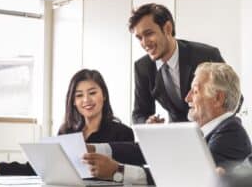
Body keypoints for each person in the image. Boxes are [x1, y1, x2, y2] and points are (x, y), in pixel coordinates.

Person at [83, 62, 251, 185]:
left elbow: (184, 177)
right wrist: (95, 148)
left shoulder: (231, 133)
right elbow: (148, 150)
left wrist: (118, 171)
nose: (187, 98)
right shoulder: (203, 132)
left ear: (218, 98)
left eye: (195, 91)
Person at [0, 69, 134, 175]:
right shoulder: (67, 132)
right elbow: (45, 168)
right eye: (79, 95)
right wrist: (0, 167)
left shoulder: (122, 132)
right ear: (73, 102)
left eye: (92, 92)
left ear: (103, 95)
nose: (86, 100)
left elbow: (127, 175)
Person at [130, 3, 225, 124]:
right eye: (139, 38)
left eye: (149, 34)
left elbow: (234, 100)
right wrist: (148, 122)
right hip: (177, 135)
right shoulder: (143, 67)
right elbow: (139, 113)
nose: (144, 43)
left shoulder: (206, 55)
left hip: (211, 134)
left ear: (168, 28)